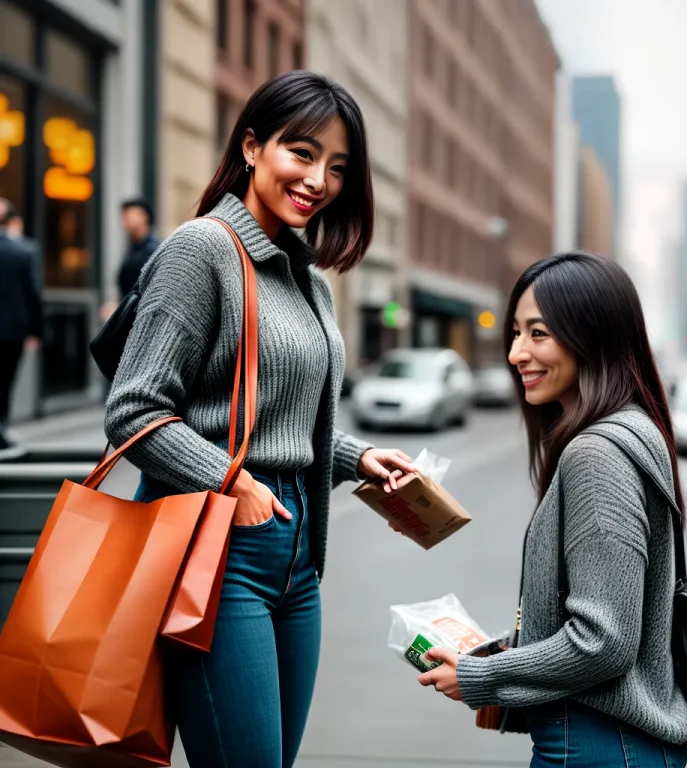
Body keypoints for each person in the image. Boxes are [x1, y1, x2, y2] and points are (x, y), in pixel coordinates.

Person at [103, 71, 414, 768]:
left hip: (298, 557)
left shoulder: (309, 279)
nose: (318, 180)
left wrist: (357, 458)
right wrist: (229, 479)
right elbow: (132, 409)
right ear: (251, 146)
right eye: (301, 154)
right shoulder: (201, 250)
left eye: (337, 167)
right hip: (217, 552)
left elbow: (284, 416)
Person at [417, 252, 687, 767]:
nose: (517, 352)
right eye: (516, 333)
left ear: (594, 336)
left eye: (538, 334)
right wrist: (503, 652)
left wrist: (481, 677)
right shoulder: (634, 429)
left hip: (596, 742)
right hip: (615, 742)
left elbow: (603, 641)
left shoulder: (598, 453)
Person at [0, 199, 42, 450]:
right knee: (5, 382)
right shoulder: (23, 251)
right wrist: (35, 330)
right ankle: (1, 426)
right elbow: (33, 295)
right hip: (13, 330)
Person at [116, 197, 160, 299]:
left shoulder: (152, 250)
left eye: (130, 213)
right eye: (124, 214)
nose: (125, 218)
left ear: (144, 216)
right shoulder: (132, 247)